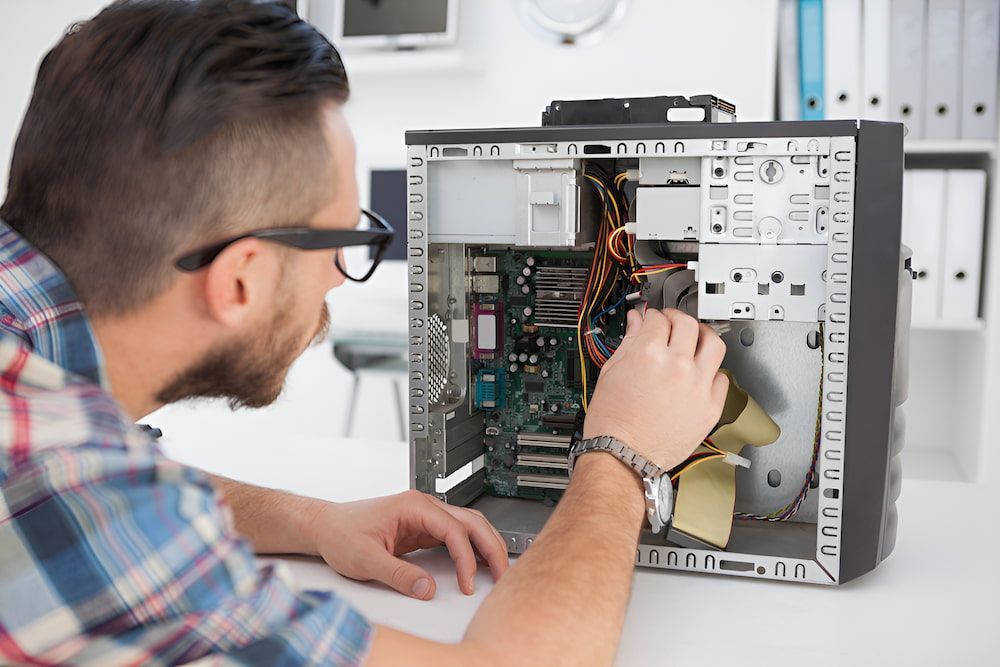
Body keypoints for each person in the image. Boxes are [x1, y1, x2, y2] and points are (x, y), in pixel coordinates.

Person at [0, 1, 728, 664]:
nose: (339, 281)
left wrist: (312, 520)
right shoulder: (60, 472)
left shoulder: (35, 381)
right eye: (346, 243)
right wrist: (621, 453)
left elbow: (110, 487)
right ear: (241, 280)